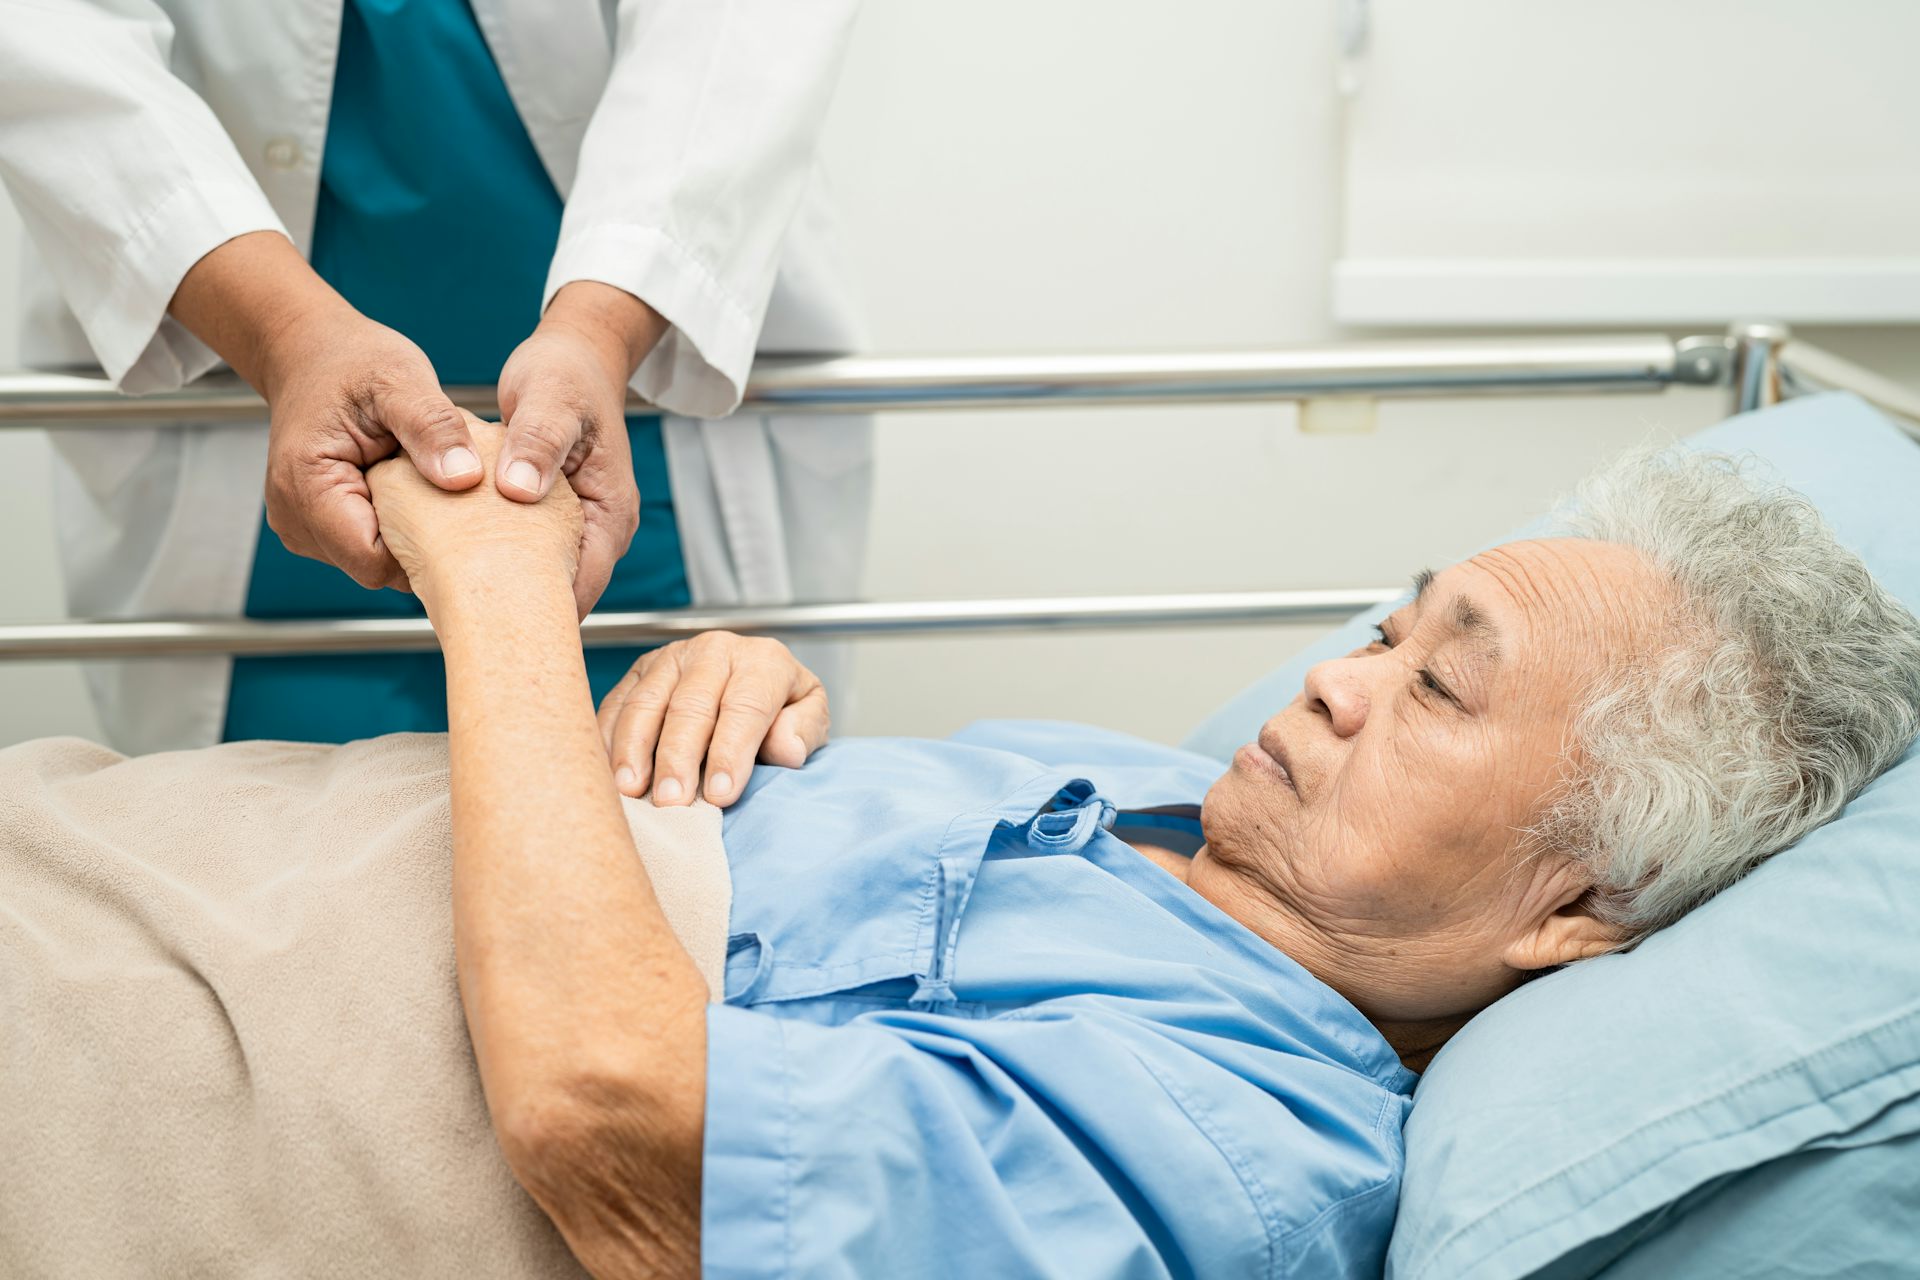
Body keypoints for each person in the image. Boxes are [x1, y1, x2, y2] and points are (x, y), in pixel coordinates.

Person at [5, 430, 1918, 1277]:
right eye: (1391, 629)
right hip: (114, 841)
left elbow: (616, 1125)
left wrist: (503, 606)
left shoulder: (1237, 1153)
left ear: (1574, 911)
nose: (1342, 684)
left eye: (1442, 693)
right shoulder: (1138, 786)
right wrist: (705, 693)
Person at [0, 0, 872, 761]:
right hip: (245, 424)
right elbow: (48, 34)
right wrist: (289, 335)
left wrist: (600, 331)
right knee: (281, 865)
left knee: (674, 797)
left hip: (645, 403)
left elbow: (737, 28)